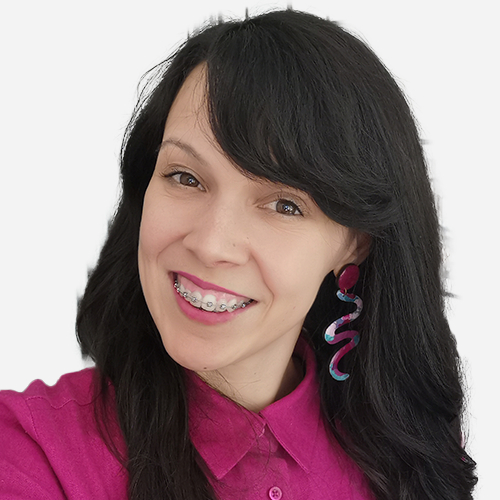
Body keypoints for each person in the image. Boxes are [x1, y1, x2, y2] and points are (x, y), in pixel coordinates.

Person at [0, 9, 477, 500]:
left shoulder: (413, 457)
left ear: (355, 242)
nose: (211, 244)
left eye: (284, 205)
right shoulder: (29, 454)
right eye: (186, 177)